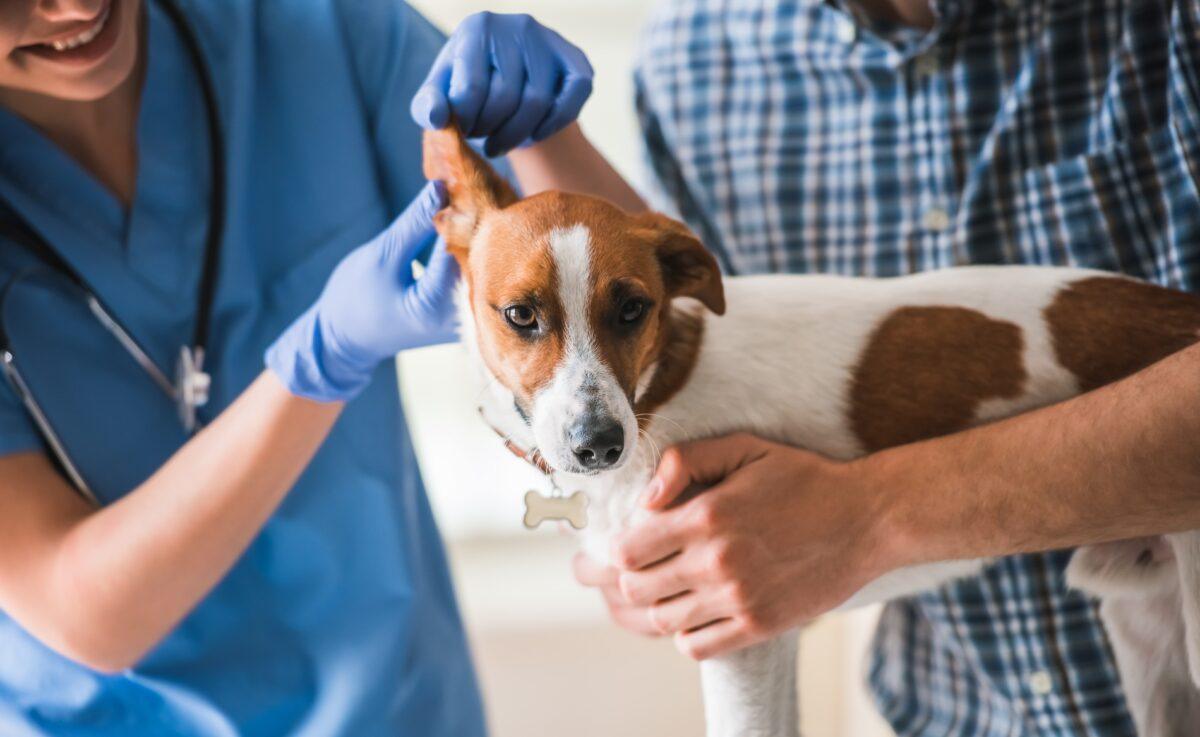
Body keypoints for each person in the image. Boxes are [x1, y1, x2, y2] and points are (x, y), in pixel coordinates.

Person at [0, 2, 638, 735]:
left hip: (404, 708)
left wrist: (545, 132)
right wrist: (323, 358)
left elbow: (657, 311)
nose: (77, 6)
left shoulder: (315, 30)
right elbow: (84, 614)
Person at [574, 0, 1200, 734]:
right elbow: (678, 341)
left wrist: (871, 514)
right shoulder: (689, 58)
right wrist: (545, 135)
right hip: (947, 712)